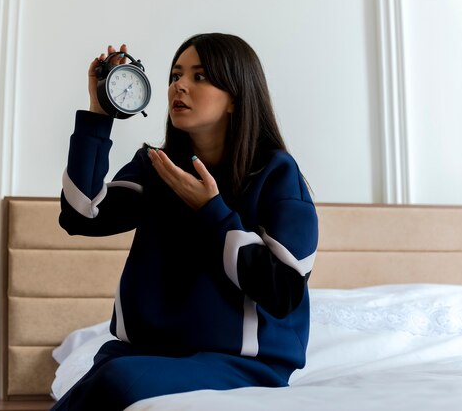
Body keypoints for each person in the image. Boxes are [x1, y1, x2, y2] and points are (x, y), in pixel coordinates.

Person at [51, 33, 319, 410]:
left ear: (235, 97)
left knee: (116, 382)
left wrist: (211, 211)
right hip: (142, 354)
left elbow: (283, 291)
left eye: (200, 76)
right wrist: (98, 114)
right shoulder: (157, 166)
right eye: (176, 74)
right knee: (110, 375)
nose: (180, 85)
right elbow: (81, 214)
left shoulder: (275, 172)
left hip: (242, 364)